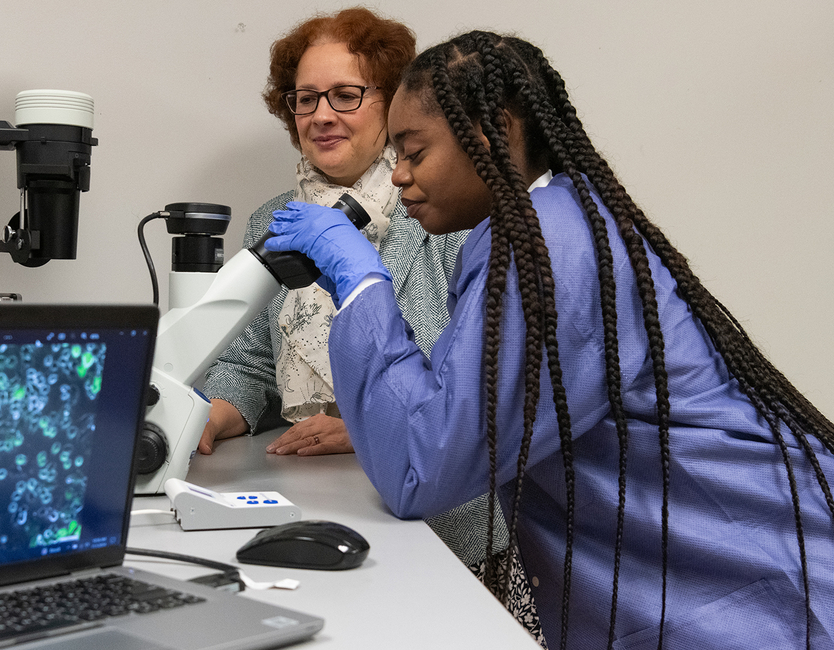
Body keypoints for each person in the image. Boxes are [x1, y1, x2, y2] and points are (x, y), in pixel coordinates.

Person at [266, 30, 834, 650]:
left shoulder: (550, 249)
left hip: (762, 586)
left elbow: (421, 468)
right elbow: (452, 408)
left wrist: (360, 286)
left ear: (493, 133)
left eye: (414, 151)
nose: (398, 175)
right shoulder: (541, 228)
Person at [197, 10, 544, 642]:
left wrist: (365, 422)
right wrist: (206, 417)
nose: (322, 114)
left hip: (445, 521)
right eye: (305, 99)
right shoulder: (275, 220)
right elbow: (247, 361)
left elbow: (469, 379)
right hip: (317, 499)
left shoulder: (444, 205)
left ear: (391, 103)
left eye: (346, 95)